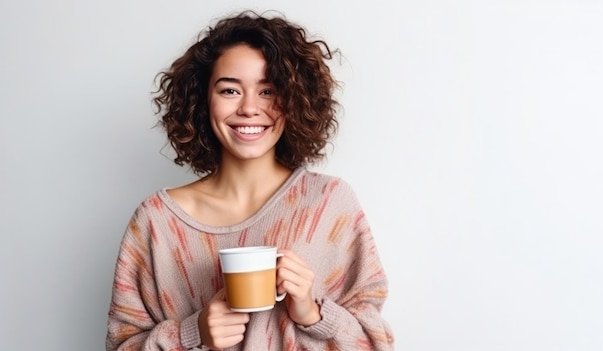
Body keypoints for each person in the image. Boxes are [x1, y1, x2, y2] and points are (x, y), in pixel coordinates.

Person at [106, 9, 394, 351]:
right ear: (202, 100)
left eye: (268, 91)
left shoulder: (329, 202)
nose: (249, 108)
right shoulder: (156, 221)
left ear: (295, 100)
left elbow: (376, 344)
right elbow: (120, 344)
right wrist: (191, 332)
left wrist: (314, 313)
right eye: (230, 91)